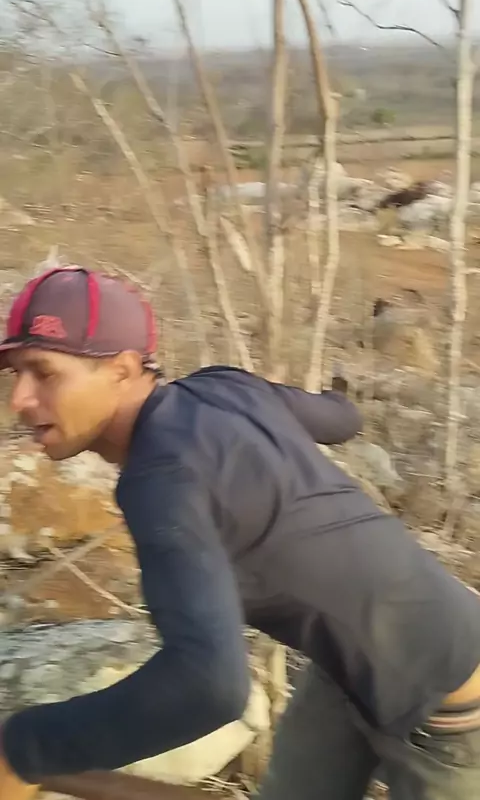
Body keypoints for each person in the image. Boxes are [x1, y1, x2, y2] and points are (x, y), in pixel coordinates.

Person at [0, 265, 478, 800]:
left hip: (453, 709)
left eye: (44, 373)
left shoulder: (161, 480)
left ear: (122, 369)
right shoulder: (226, 387)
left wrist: (25, 749)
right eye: (15, 373)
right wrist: (321, 403)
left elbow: (208, 687)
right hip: (350, 664)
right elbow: (341, 420)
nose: (20, 398)